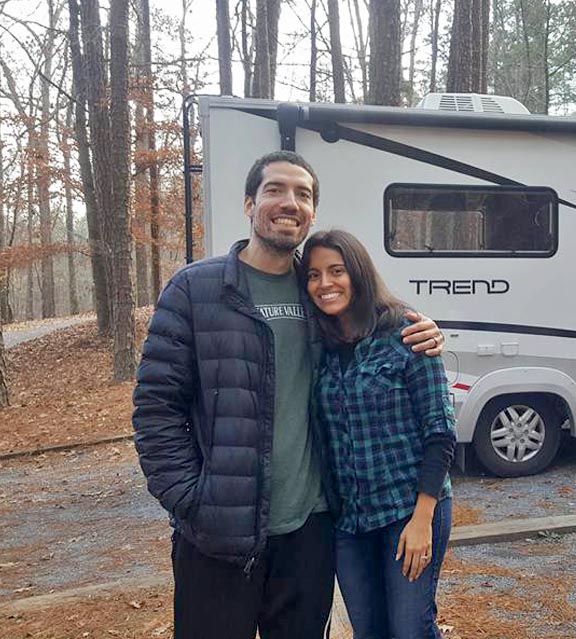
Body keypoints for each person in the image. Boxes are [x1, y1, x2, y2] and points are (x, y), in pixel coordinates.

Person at [132, 151, 445, 639]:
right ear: (249, 204)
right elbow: (156, 409)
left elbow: (374, 326)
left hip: (309, 532)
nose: (289, 203)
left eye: (303, 194)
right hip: (218, 534)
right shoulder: (195, 290)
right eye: (275, 190)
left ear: (312, 213)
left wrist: (427, 329)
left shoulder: (318, 294)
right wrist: (191, 500)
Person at [303, 229, 456, 639]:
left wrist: (422, 520)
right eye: (314, 275)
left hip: (408, 511)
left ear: (358, 272)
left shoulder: (406, 334)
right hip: (350, 521)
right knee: (369, 630)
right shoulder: (318, 345)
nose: (325, 283)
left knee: (410, 628)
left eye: (336, 270)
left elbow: (440, 433)